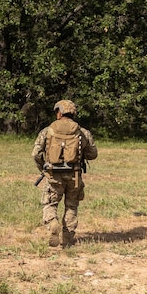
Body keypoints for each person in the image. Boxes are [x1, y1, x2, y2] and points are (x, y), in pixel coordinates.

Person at [32, 99, 98, 247]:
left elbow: (36, 153)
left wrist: (43, 167)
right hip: (74, 176)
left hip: (53, 175)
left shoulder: (47, 131)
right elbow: (93, 154)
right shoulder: (82, 132)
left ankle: (52, 223)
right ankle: (68, 239)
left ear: (59, 113)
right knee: (71, 206)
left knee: (50, 203)